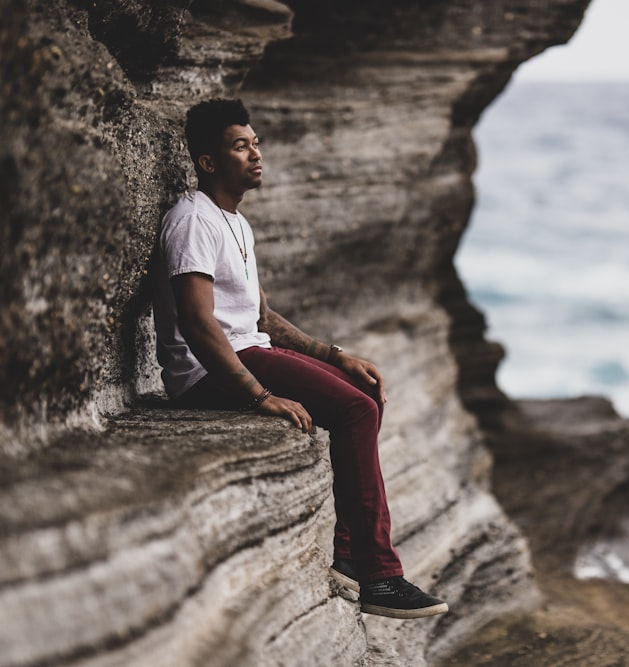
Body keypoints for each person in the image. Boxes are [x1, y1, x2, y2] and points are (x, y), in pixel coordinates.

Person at [151, 98, 448, 620]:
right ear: (208, 162)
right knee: (355, 411)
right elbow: (199, 325)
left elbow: (261, 317)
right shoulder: (192, 220)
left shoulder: (236, 224)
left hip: (249, 350)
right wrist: (258, 396)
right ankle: (378, 573)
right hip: (208, 371)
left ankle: (355, 554)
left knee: (366, 393)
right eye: (240, 146)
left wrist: (336, 355)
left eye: (256, 143)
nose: (256, 154)